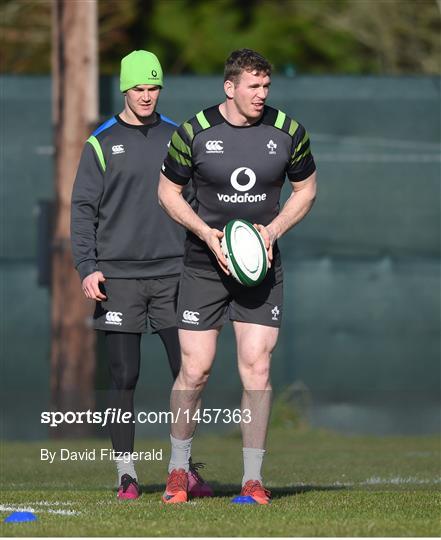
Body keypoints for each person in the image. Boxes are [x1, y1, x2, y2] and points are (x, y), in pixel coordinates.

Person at [158, 48, 317, 504]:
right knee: (196, 368)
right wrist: (208, 235)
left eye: (266, 86)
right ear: (230, 87)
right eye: (253, 86)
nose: (261, 95)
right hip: (204, 266)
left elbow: (307, 189)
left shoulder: (287, 131)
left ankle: (252, 479)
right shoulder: (194, 132)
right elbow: (166, 193)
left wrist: (272, 231)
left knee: (258, 368)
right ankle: (177, 471)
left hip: (260, 269)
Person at [71, 50, 213, 500]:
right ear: (125, 90)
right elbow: (82, 211)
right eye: (139, 88)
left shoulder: (178, 136)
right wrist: (88, 267)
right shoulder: (100, 142)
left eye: (154, 88)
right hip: (119, 279)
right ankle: (126, 476)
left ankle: (182, 469)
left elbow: (198, 202)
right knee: (124, 376)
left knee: (187, 371)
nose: (147, 96)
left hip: (176, 273)